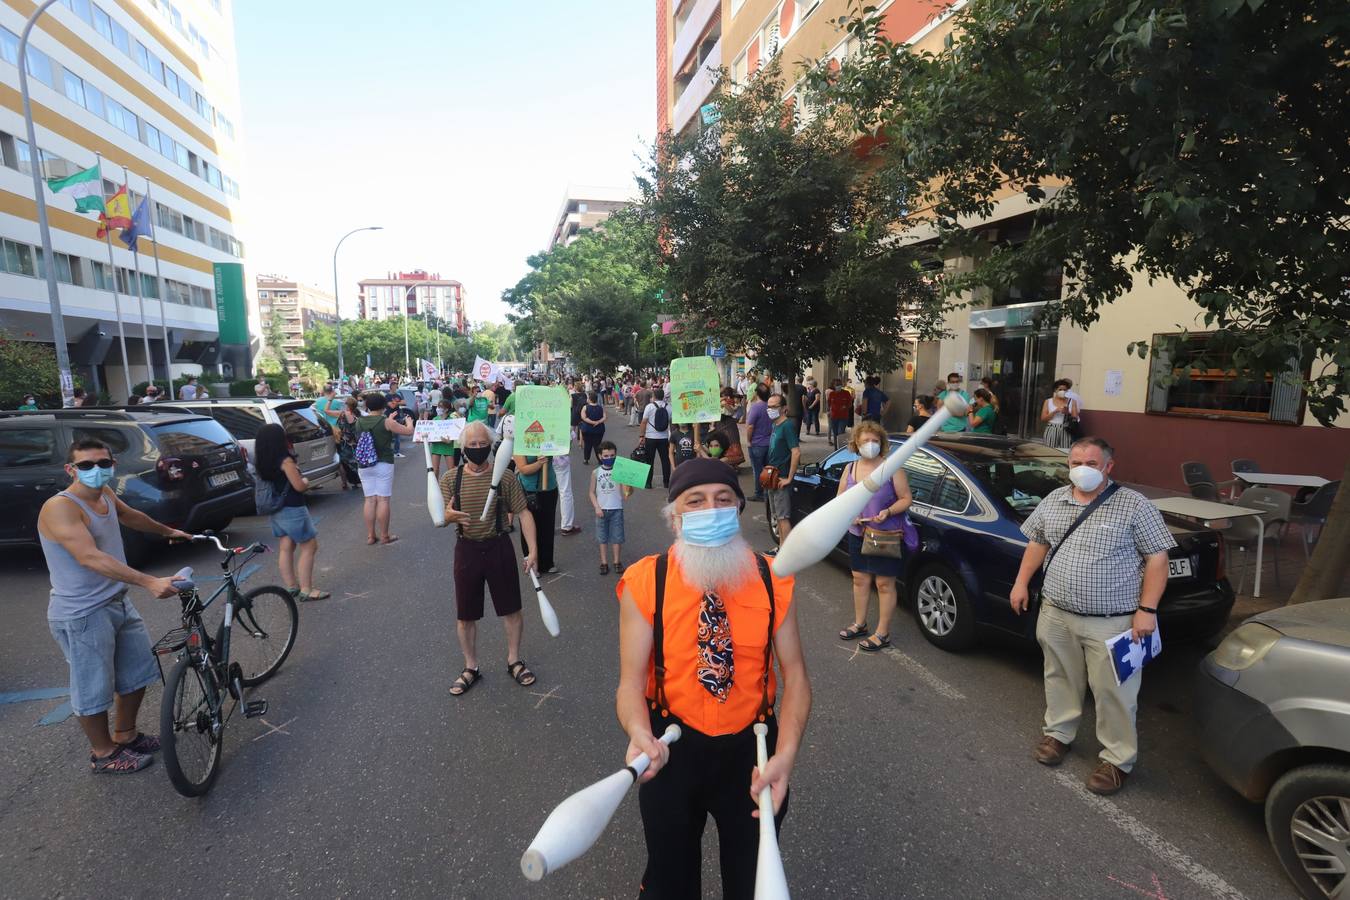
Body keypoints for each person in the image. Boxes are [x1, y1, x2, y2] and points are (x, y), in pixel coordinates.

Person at [616, 458, 811, 898]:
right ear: (674, 517)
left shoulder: (772, 578)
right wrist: (637, 731)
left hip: (752, 753)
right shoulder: (646, 580)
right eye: (696, 501)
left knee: (749, 883)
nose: (711, 508)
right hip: (669, 750)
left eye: (723, 500)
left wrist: (786, 755)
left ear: (739, 509)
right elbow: (629, 683)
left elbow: (795, 675)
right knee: (669, 883)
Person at [1010, 437, 1175, 795]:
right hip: (1055, 612)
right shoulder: (1055, 499)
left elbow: (1157, 559)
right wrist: (1021, 582)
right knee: (1059, 677)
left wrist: (1147, 611)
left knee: (1114, 692)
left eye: (1091, 463)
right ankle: (1058, 735)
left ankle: (1117, 760)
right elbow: (1037, 542)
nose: (1081, 470)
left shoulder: (1134, 506)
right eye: (1075, 463)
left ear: (1108, 467)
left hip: (1113, 621)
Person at [37, 438, 192, 774]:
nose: (96, 471)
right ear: (71, 470)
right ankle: (103, 753)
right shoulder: (61, 507)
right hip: (83, 613)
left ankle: (126, 735)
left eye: (103, 464)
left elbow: (130, 516)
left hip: (116, 601)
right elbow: (89, 556)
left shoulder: (104, 494)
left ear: (112, 465)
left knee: (137, 674)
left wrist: (168, 531)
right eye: (87, 466)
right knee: (93, 687)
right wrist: (150, 581)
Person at [439, 422, 540, 697]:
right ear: (463, 448)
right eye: (471, 445)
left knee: (511, 610)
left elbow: (524, 514)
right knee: (465, 615)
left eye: (482, 443)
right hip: (467, 549)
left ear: (491, 445)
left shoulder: (506, 478)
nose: (477, 449)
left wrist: (533, 550)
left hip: (498, 546)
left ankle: (514, 660)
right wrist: (447, 517)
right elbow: (441, 517)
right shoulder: (450, 479)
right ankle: (470, 667)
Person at [835, 422, 913, 651]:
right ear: (856, 444)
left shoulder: (892, 468)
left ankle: (882, 633)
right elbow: (840, 498)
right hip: (857, 533)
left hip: (884, 534)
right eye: (866, 441)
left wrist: (888, 511)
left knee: (884, 583)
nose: (871, 445)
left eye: (875, 441)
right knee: (859, 579)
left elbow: (906, 498)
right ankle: (860, 623)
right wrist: (850, 515)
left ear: (882, 443)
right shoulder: (850, 469)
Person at [253, 423, 329, 601]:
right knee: (309, 546)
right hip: (293, 508)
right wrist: (306, 480)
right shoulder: (285, 460)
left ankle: (291, 587)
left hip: (276, 509)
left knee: (286, 547)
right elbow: (299, 486)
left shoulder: (262, 460)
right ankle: (307, 589)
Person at [356, 392, 415, 545]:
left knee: (369, 500)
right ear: (383, 406)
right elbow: (408, 431)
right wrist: (409, 422)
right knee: (383, 500)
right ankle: (384, 536)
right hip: (383, 462)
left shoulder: (359, 422)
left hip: (364, 464)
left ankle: (370, 536)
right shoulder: (386, 422)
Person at [513, 448, 559, 574]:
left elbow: (564, 448)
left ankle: (547, 562)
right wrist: (539, 463)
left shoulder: (548, 435)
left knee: (547, 526)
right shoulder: (520, 441)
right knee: (529, 528)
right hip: (529, 490)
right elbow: (523, 469)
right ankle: (533, 564)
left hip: (550, 487)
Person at [589, 441, 631, 575]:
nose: (609, 458)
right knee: (602, 538)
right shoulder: (596, 472)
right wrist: (596, 507)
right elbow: (591, 492)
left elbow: (626, 495)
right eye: (606, 456)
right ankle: (604, 562)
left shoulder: (620, 471)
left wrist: (629, 486)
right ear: (600, 456)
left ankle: (617, 561)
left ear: (616, 455)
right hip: (601, 510)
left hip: (616, 509)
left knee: (617, 537)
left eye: (612, 455)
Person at [763, 393, 800, 545]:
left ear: (784, 408)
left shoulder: (787, 426)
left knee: (783, 518)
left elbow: (796, 452)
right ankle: (781, 548)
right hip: (772, 477)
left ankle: (787, 554)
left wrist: (789, 478)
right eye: (768, 406)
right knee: (777, 516)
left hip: (781, 478)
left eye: (774, 406)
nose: (770, 409)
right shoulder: (775, 425)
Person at [639, 387, 673, 490]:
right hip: (664, 438)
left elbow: (644, 422)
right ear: (663, 396)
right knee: (665, 461)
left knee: (649, 460)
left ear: (653, 396)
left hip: (651, 438)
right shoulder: (669, 407)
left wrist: (641, 436)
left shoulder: (649, 407)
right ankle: (666, 483)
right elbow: (671, 423)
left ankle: (648, 483)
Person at [743, 383, 772, 501]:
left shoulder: (756, 407)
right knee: (768, 469)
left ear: (757, 393)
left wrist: (749, 441)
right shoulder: (771, 406)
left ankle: (759, 493)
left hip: (757, 443)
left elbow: (750, 426)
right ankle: (768, 492)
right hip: (769, 442)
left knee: (757, 470)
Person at [1041, 378, 1081, 449]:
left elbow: (1075, 417)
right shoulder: (1048, 401)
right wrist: (1055, 411)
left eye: (1065, 390)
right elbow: (1043, 418)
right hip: (1052, 428)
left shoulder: (1072, 401)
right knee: (1049, 450)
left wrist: (1068, 412)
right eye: (1060, 389)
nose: (1063, 391)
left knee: (1065, 450)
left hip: (1066, 429)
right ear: (1055, 390)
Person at [429, 399, 459, 478]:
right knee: (435, 469)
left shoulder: (451, 420)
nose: (438, 408)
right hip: (436, 446)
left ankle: (452, 488)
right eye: (438, 406)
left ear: (446, 409)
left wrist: (448, 440)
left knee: (451, 470)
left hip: (448, 446)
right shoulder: (435, 419)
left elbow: (453, 435)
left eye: (440, 407)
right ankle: (435, 487)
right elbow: (430, 434)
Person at [579, 391, 607, 464]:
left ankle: (586, 459)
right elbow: (604, 417)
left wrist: (593, 422)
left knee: (587, 444)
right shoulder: (600, 407)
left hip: (587, 429)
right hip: (599, 429)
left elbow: (584, 418)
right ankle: (600, 459)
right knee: (598, 445)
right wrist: (598, 422)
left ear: (589, 399)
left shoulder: (585, 407)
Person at [826, 378, 853, 449]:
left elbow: (850, 404)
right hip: (833, 417)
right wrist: (828, 411)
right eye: (836, 385)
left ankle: (841, 448)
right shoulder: (832, 394)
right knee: (835, 433)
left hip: (843, 417)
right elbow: (829, 404)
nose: (838, 386)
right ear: (834, 386)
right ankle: (836, 448)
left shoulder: (846, 393)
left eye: (839, 385)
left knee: (840, 432)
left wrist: (845, 407)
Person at [385, 392, 411, 459]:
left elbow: (404, 402)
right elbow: (392, 406)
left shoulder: (397, 395)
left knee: (396, 436)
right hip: (390, 417)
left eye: (396, 386)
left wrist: (396, 402)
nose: (395, 388)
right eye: (394, 386)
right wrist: (398, 402)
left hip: (397, 417)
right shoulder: (387, 396)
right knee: (391, 436)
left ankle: (396, 452)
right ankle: (394, 452)